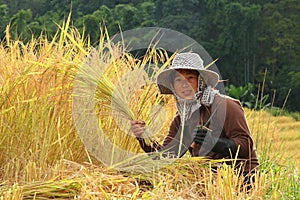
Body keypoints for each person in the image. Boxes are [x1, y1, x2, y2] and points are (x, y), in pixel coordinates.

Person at [130, 52, 259, 178]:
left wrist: (215, 143)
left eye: (190, 78)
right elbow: (166, 157)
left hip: (240, 178)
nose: (184, 85)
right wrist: (143, 136)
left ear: (201, 81)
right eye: (178, 80)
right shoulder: (182, 119)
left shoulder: (225, 105)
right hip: (207, 179)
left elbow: (246, 145)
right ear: (173, 85)